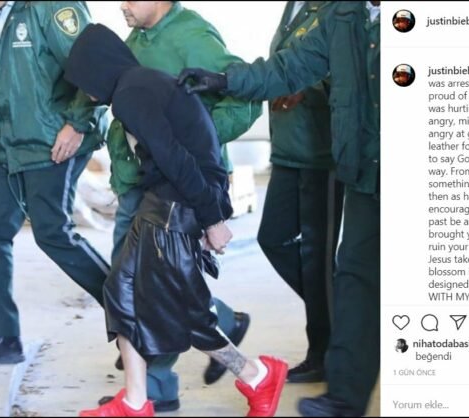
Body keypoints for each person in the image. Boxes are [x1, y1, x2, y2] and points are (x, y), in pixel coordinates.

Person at [64, 23, 288, 418]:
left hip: (177, 203)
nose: (86, 91)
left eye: (84, 80)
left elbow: (176, 159)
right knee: (120, 290)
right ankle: (135, 402)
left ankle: (257, 375)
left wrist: (211, 219)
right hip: (164, 199)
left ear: (98, 68)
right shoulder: (139, 83)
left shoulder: (131, 94)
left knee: (184, 311)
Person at [179, 1, 380, 416]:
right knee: (355, 280)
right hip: (365, 170)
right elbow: (288, 67)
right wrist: (224, 80)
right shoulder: (344, 14)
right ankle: (344, 400)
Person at [97, 2, 261, 411]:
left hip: (177, 186)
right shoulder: (136, 39)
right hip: (138, 182)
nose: (122, 4)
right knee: (128, 284)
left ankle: (155, 386)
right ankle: (147, 386)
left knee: (154, 288)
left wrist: (192, 141)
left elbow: (245, 100)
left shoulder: (192, 37)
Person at [0, 1, 109, 367]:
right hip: (7, 149)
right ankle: (0, 337)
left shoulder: (50, 7)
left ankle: (136, 313)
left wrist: (78, 123)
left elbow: (95, 66)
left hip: (54, 143)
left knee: (53, 233)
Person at [258, 0, 343, 384]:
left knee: (317, 258)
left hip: (320, 152)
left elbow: (353, 71)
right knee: (272, 238)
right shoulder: (295, 6)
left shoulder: (337, 8)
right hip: (288, 148)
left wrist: (307, 88)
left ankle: (325, 352)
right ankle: (348, 319)